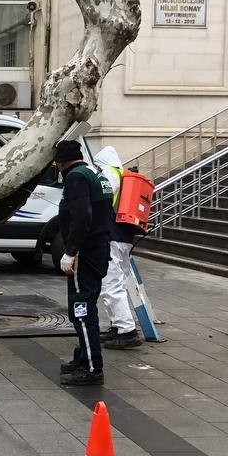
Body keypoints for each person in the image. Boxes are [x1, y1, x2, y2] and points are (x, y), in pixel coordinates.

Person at [54, 139, 114, 386]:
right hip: (98, 249)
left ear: (61, 162)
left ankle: (92, 368)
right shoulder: (94, 173)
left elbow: (82, 216)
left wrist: (70, 251)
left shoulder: (76, 178)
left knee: (82, 310)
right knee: (84, 306)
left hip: (85, 255)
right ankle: (82, 357)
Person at [94, 146, 142, 351]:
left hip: (113, 235)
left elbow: (101, 202)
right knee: (118, 283)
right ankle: (118, 326)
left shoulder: (109, 174)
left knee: (110, 285)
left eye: (96, 165)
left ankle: (126, 330)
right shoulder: (122, 175)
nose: (95, 169)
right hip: (124, 236)